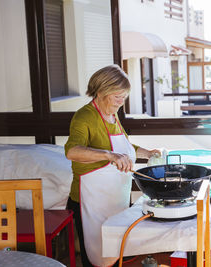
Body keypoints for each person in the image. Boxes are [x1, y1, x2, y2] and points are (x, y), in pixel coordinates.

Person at [65, 65, 160, 267]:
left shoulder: (112, 115)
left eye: (124, 96)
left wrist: (147, 153)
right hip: (90, 201)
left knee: (113, 252)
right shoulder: (84, 117)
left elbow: (123, 147)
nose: (121, 101)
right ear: (101, 91)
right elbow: (72, 151)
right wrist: (109, 155)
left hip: (113, 198)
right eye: (117, 95)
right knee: (96, 256)